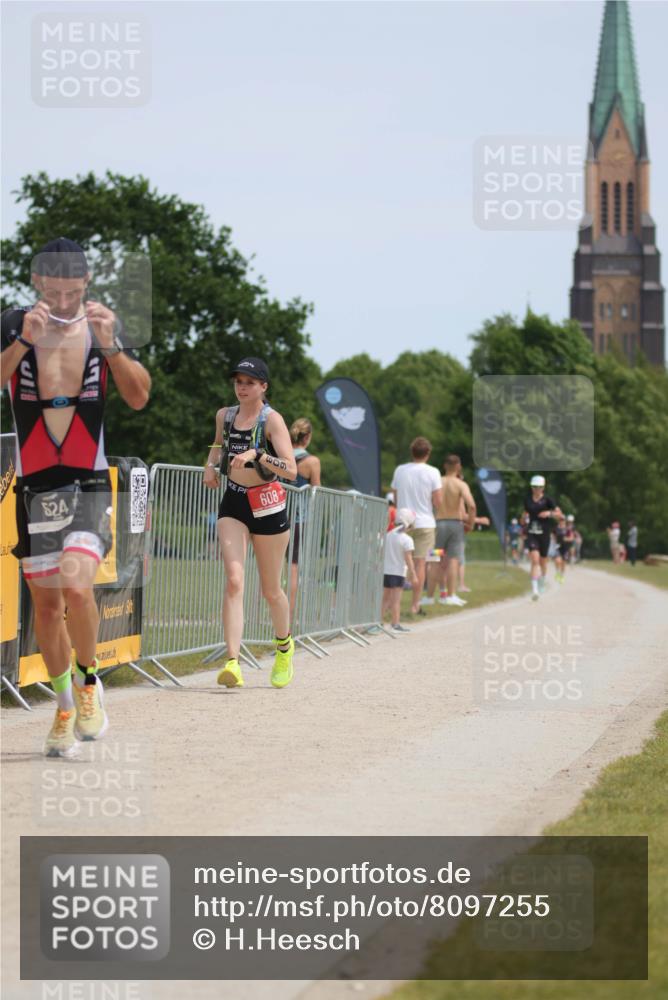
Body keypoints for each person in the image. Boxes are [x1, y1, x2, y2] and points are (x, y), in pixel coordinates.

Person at [0, 237, 151, 757]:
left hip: (88, 478)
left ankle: (89, 685)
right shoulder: (12, 321)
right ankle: (64, 706)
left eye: (73, 291)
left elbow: (138, 397)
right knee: (45, 607)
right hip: (36, 482)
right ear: (39, 283)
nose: (63, 301)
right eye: (54, 290)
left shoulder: (103, 323)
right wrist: (22, 342)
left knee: (78, 588)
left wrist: (110, 346)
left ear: (86, 283)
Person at [203, 357, 298, 689]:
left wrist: (259, 455)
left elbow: (291, 469)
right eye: (238, 382)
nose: (242, 388)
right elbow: (218, 443)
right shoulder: (225, 415)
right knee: (233, 580)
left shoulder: (272, 420)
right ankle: (233, 662)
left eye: (249, 382)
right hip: (234, 501)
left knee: (271, 590)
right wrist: (210, 464)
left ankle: (284, 647)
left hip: (268, 504)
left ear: (263, 387)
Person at [391, 437, 442, 615]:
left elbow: (396, 498)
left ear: (412, 452)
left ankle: (392, 604)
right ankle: (415, 605)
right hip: (425, 523)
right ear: (428, 453)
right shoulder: (433, 472)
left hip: (403, 522)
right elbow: (438, 501)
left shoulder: (400, 470)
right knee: (421, 564)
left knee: (398, 563)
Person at [427, 455, 476, 607]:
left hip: (438, 524)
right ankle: (450, 595)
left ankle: (429, 597)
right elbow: (472, 506)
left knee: (434, 559)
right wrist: (471, 524)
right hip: (455, 525)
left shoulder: (437, 482)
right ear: (458, 466)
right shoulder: (460, 484)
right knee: (453, 559)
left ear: (444, 466)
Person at [288, 418, 321, 617]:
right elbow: (317, 490)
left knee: (269, 568)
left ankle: (259, 617)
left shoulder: (279, 456)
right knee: (293, 568)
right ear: (307, 437)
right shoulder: (311, 462)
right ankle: (288, 617)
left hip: (273, 514)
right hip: (299, 519)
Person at [522, 475, 562, 601]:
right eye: (534, 487)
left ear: (543, 487)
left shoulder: (548, 500)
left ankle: (542, 580)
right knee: (534, 560)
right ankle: (534, 590)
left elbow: (560, 515)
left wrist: (549, 513)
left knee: (543, 562)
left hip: (544, 534)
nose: (536, 489)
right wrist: (523, 519)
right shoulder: (527, 500)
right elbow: (524, 514)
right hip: (532, 533)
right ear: (531, 487)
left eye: (539, 487)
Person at [382, 508, 418, 632]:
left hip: (386, 571)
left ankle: (377, 623)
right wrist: (413, 575)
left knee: (385, 599)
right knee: (396, 601)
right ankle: (395, 624)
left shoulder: (388, 535)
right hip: (398, 573)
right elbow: (409, 559)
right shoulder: (407, 540)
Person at [554, 515, 574, 583]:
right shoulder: (556, 528)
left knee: (563, 563)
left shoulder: (568, 529)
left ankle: (562, 576)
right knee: (557, 561)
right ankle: (557, 573)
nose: (561, 521)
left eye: (562, 520)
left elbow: (571, 538)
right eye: (560, 520)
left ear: (565, 521)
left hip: (565, 548)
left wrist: (567, 539)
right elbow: (553, 535)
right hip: (558, 547)